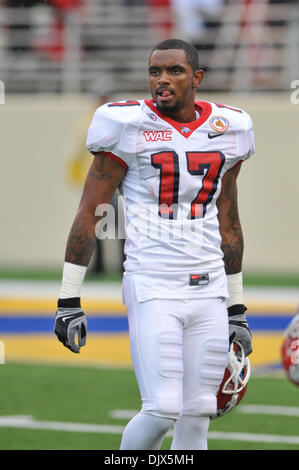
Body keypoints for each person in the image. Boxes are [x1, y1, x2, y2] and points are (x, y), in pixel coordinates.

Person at [54, 38, 254, 450]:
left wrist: (237, 308)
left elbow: (229, 221)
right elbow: (91, 212)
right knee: (162, 408)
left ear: (197, 78)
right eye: (154, 72)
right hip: (154, 285)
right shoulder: (126, 125)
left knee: (198, 410)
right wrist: (68, 299)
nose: (162, 80)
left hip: (210, 289)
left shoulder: (229, 129)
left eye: (174, 71)